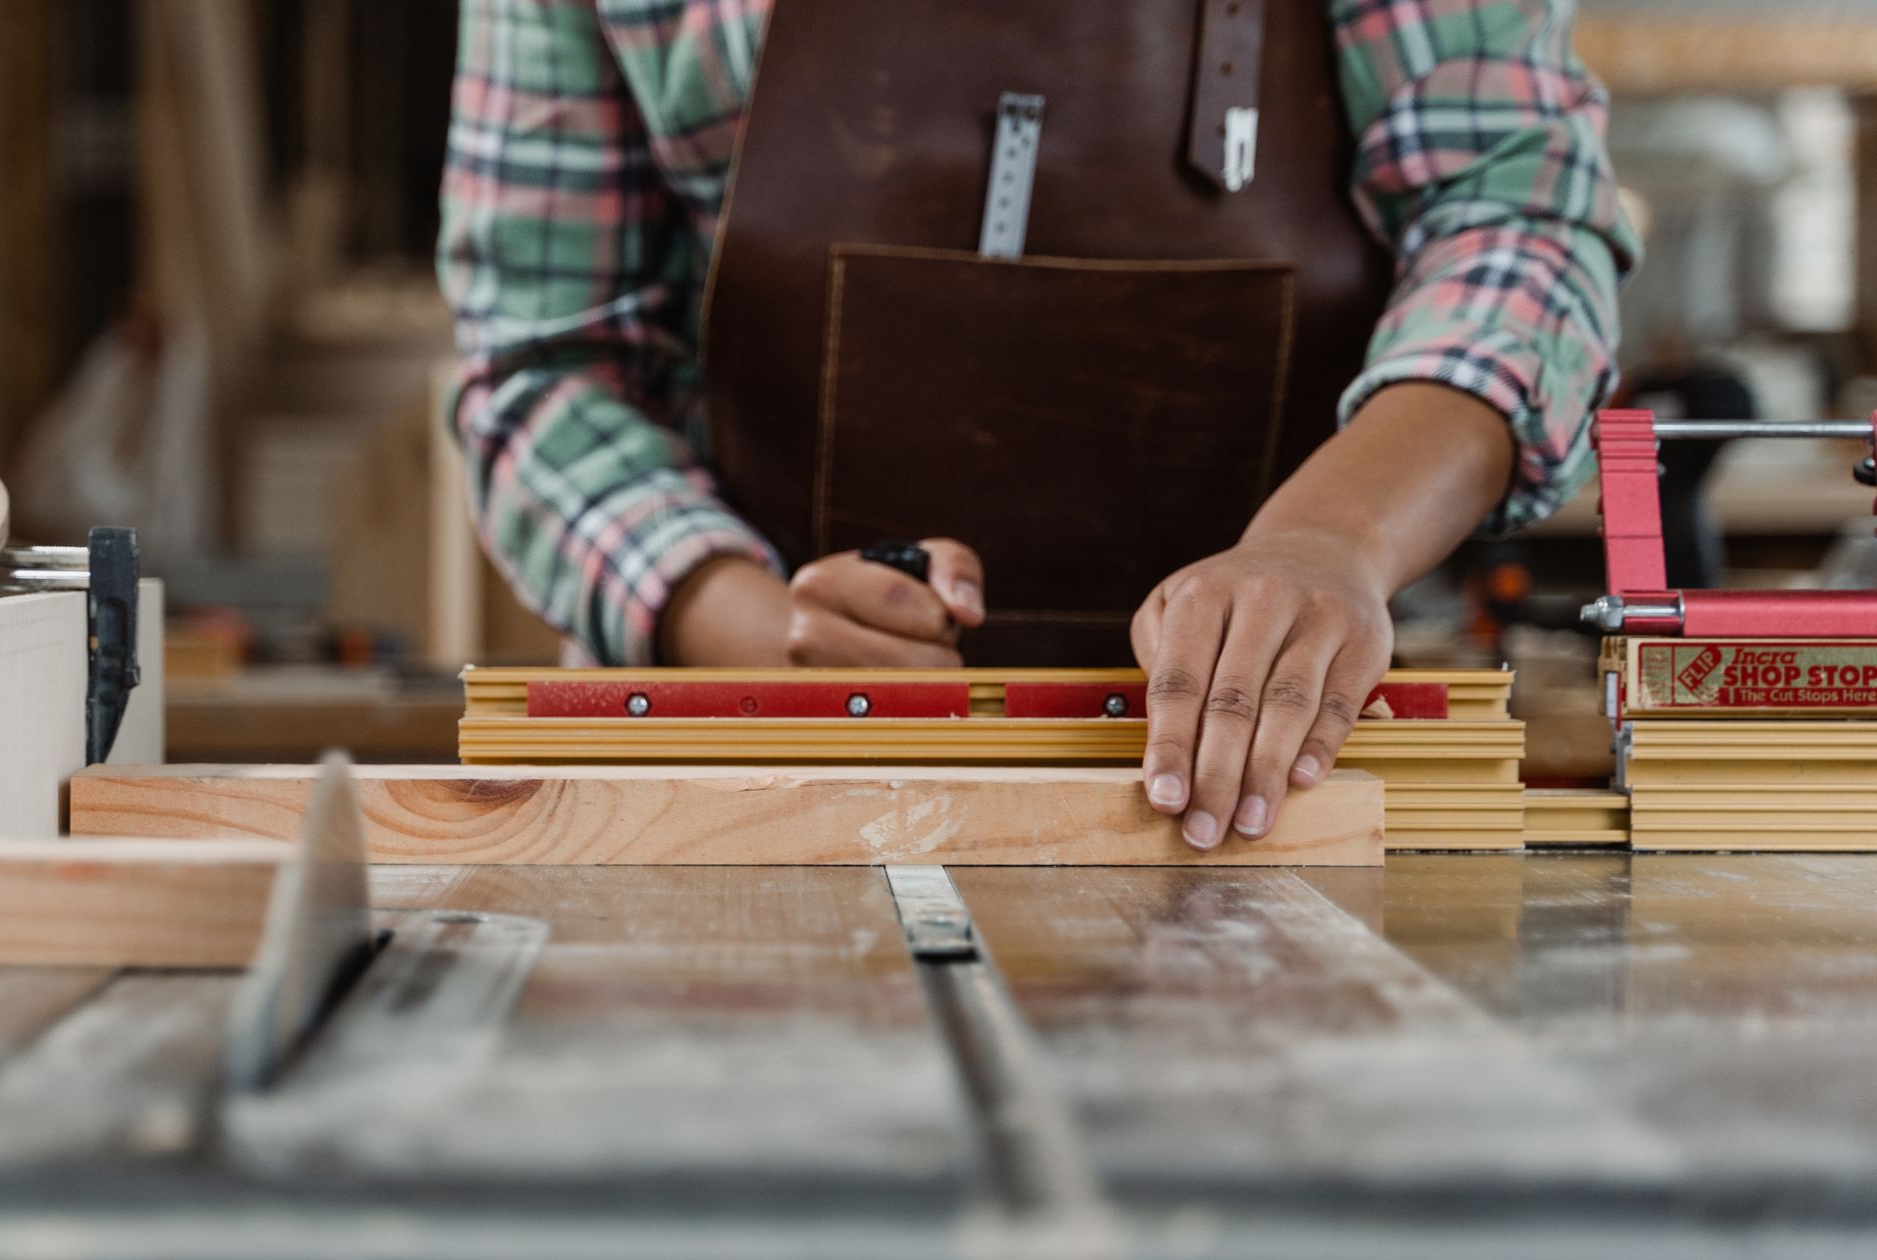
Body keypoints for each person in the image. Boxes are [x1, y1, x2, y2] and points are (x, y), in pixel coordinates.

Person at [437, 0, 1639, 850]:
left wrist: (1324, 543)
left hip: (1273, 798)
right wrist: (756, 628)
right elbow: (544, 368)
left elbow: (1514, 218)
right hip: (754, 799)